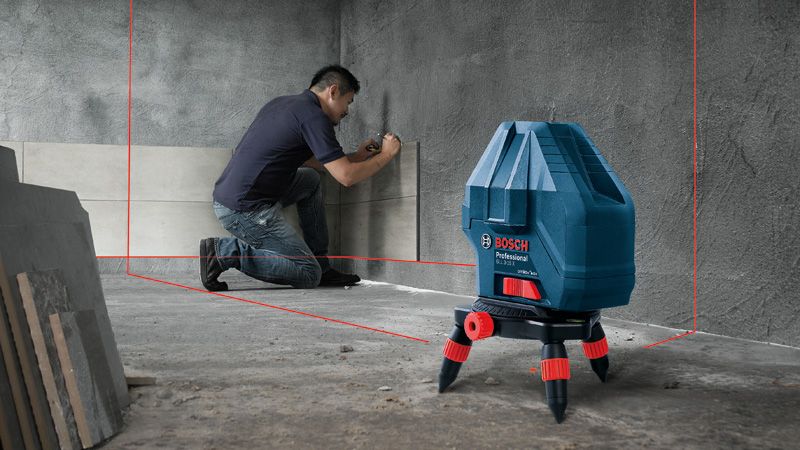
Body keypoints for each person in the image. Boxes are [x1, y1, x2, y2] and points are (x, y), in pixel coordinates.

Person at [200, 65, 401, 291]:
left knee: (310, 180)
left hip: (237, 196)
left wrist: (358, 156)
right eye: (348, 102)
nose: (347, 111)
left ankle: (322, 265)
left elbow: (319, 162)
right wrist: (387, 155)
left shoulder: (286, 105)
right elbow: (346, 177)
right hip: (244, 210)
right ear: (333, 91)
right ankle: (224, 253)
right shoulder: (315, 118)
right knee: (307, 274)